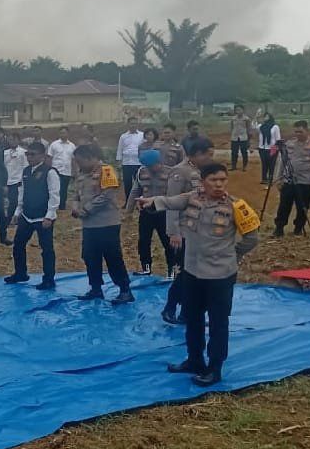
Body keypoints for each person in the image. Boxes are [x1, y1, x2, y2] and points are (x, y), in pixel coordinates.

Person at [139, 163, 259, 386]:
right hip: (193, 273)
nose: (219, 184)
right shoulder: (193, 198)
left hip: (220, 276)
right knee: (192, 319)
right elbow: (171, 201)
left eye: (223, 179)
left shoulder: (236, 206)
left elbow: (252, 238)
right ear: (203, 182)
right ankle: (194, 360)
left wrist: (231, 255)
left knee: (217, 323)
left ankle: (214, 368)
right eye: (214, 180)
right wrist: (151, 201)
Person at [70, 143, 133, 304]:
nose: (78, 164)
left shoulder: (106, 171)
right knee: (90, 257)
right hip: (89, 225)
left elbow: (107, 196)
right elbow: (76, 194)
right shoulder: (81, 173)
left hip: (107, 224)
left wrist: (85, 210)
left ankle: (125, 290)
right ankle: (96, 288)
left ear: (90, 158)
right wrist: (75, 208)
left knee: (113, 258)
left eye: (80, 161)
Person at [162, 137, 215, 324]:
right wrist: (174, 232)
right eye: (208, 155)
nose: (211, 158)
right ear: (198, 154)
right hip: (184, 231)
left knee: (197, 275)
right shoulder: (180, 172)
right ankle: (170, 308)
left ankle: (188, 312)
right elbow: (171, 202)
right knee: (185, 274)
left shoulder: (204, 172)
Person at [5, 140, 60, 290]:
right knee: (18, 244)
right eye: (27, 154)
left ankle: (49, 279)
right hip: (27, 215)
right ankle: (20, 273)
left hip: (43, 217)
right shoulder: (26, 171)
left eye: (33, 154)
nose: (29, 157)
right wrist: (17, 212)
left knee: (46, 248)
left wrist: (50, 215)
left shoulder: (50, 172)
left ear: (42, 155)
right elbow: (22, 193)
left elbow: (54, 196)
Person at [125, 149, 173, 277]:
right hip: (146, 212)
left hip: (164, 213)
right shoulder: (142, 172)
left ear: (159, 162)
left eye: (152, 166)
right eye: (148, 166)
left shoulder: (171, 173)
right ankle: (146, 268)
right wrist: (128, 211)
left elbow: (175, 195)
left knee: (167, 242)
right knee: (144, 241)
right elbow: (135, 190)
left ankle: (172, 270)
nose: (151, 169)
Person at [272, 121, 310, 238]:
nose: (298, 134)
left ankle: (298, 228)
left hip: (305, 182)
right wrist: (278, 178)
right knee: (284, 205)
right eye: (296, 131)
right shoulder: (289, 144)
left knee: (302, 207)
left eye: (301, 131)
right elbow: (281, 162)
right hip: (289, 180)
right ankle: (279, 228)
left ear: (307, 131)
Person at [46, 127, 77, 210]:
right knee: (55, 189)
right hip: (56, 171)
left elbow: (73, 160)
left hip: (67, 171)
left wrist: (74, 172)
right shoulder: (54, 144)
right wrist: (48, 169)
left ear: (68, 134)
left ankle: (62, 207)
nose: (63, 134)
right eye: (61, 133)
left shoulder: (72, 146)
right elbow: (49, 157)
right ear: (59, 134)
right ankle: (53, 206)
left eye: (65, 133)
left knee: (64, 190)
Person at [116, 117, 144, 200]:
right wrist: (119, 163)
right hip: (126, 163)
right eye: (131, 123)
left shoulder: (142, 135)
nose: (133, 125)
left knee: (139, 183)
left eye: (135, 123)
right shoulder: (123, 136)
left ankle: (139, 201)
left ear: (137, 124)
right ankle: (128, 202)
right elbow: (120, 149)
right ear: (128, 124)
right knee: (127, 183)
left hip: (138, 163)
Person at [2, 131, 28, 218]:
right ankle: (9, 217)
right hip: (7, 180)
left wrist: (23, 179)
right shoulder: (5, 153)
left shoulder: (23, 152)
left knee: (16, 201)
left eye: (14, 139)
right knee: (7, 201)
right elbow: (3, 166)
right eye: (10, 140)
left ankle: (14, 217)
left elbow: (25, 167)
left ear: (18, 140)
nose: (12, 141)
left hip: (18, 181)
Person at [257, 114, 281, 185]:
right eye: (264, 116)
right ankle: (264, 179)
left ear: (270, 117)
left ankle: (270, 180)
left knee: (271, 164)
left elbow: (278, 139)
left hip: (272, 148)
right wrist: (257, 116)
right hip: (262, 148)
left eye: (267, 116)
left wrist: (275, 149)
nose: (265, 118)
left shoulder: (275, 127)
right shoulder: (261, 126)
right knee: (264, 164)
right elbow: (253, 125)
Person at [229, 105, 252, 171]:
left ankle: (245, 166)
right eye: (237, 110)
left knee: (244, 152)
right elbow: (231, 128)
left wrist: (249, 139)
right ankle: (233, 166)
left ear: (243, 110)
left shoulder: (246, 119)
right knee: (234, 152)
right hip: (234, 137)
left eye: (239, 110)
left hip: (243, 137)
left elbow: (248, 128)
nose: (238, 111)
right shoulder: (233, 119)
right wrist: (232, 135)